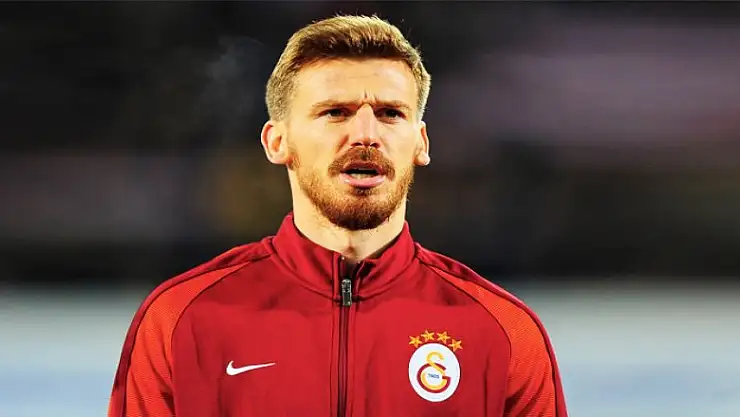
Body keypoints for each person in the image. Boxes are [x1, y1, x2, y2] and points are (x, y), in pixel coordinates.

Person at [107, 14, 568, 417]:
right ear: (277, 142)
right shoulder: (182, 320)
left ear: (421, 143)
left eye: (390, 113)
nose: (365, 133)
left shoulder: (501, 332)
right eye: (335, 112)